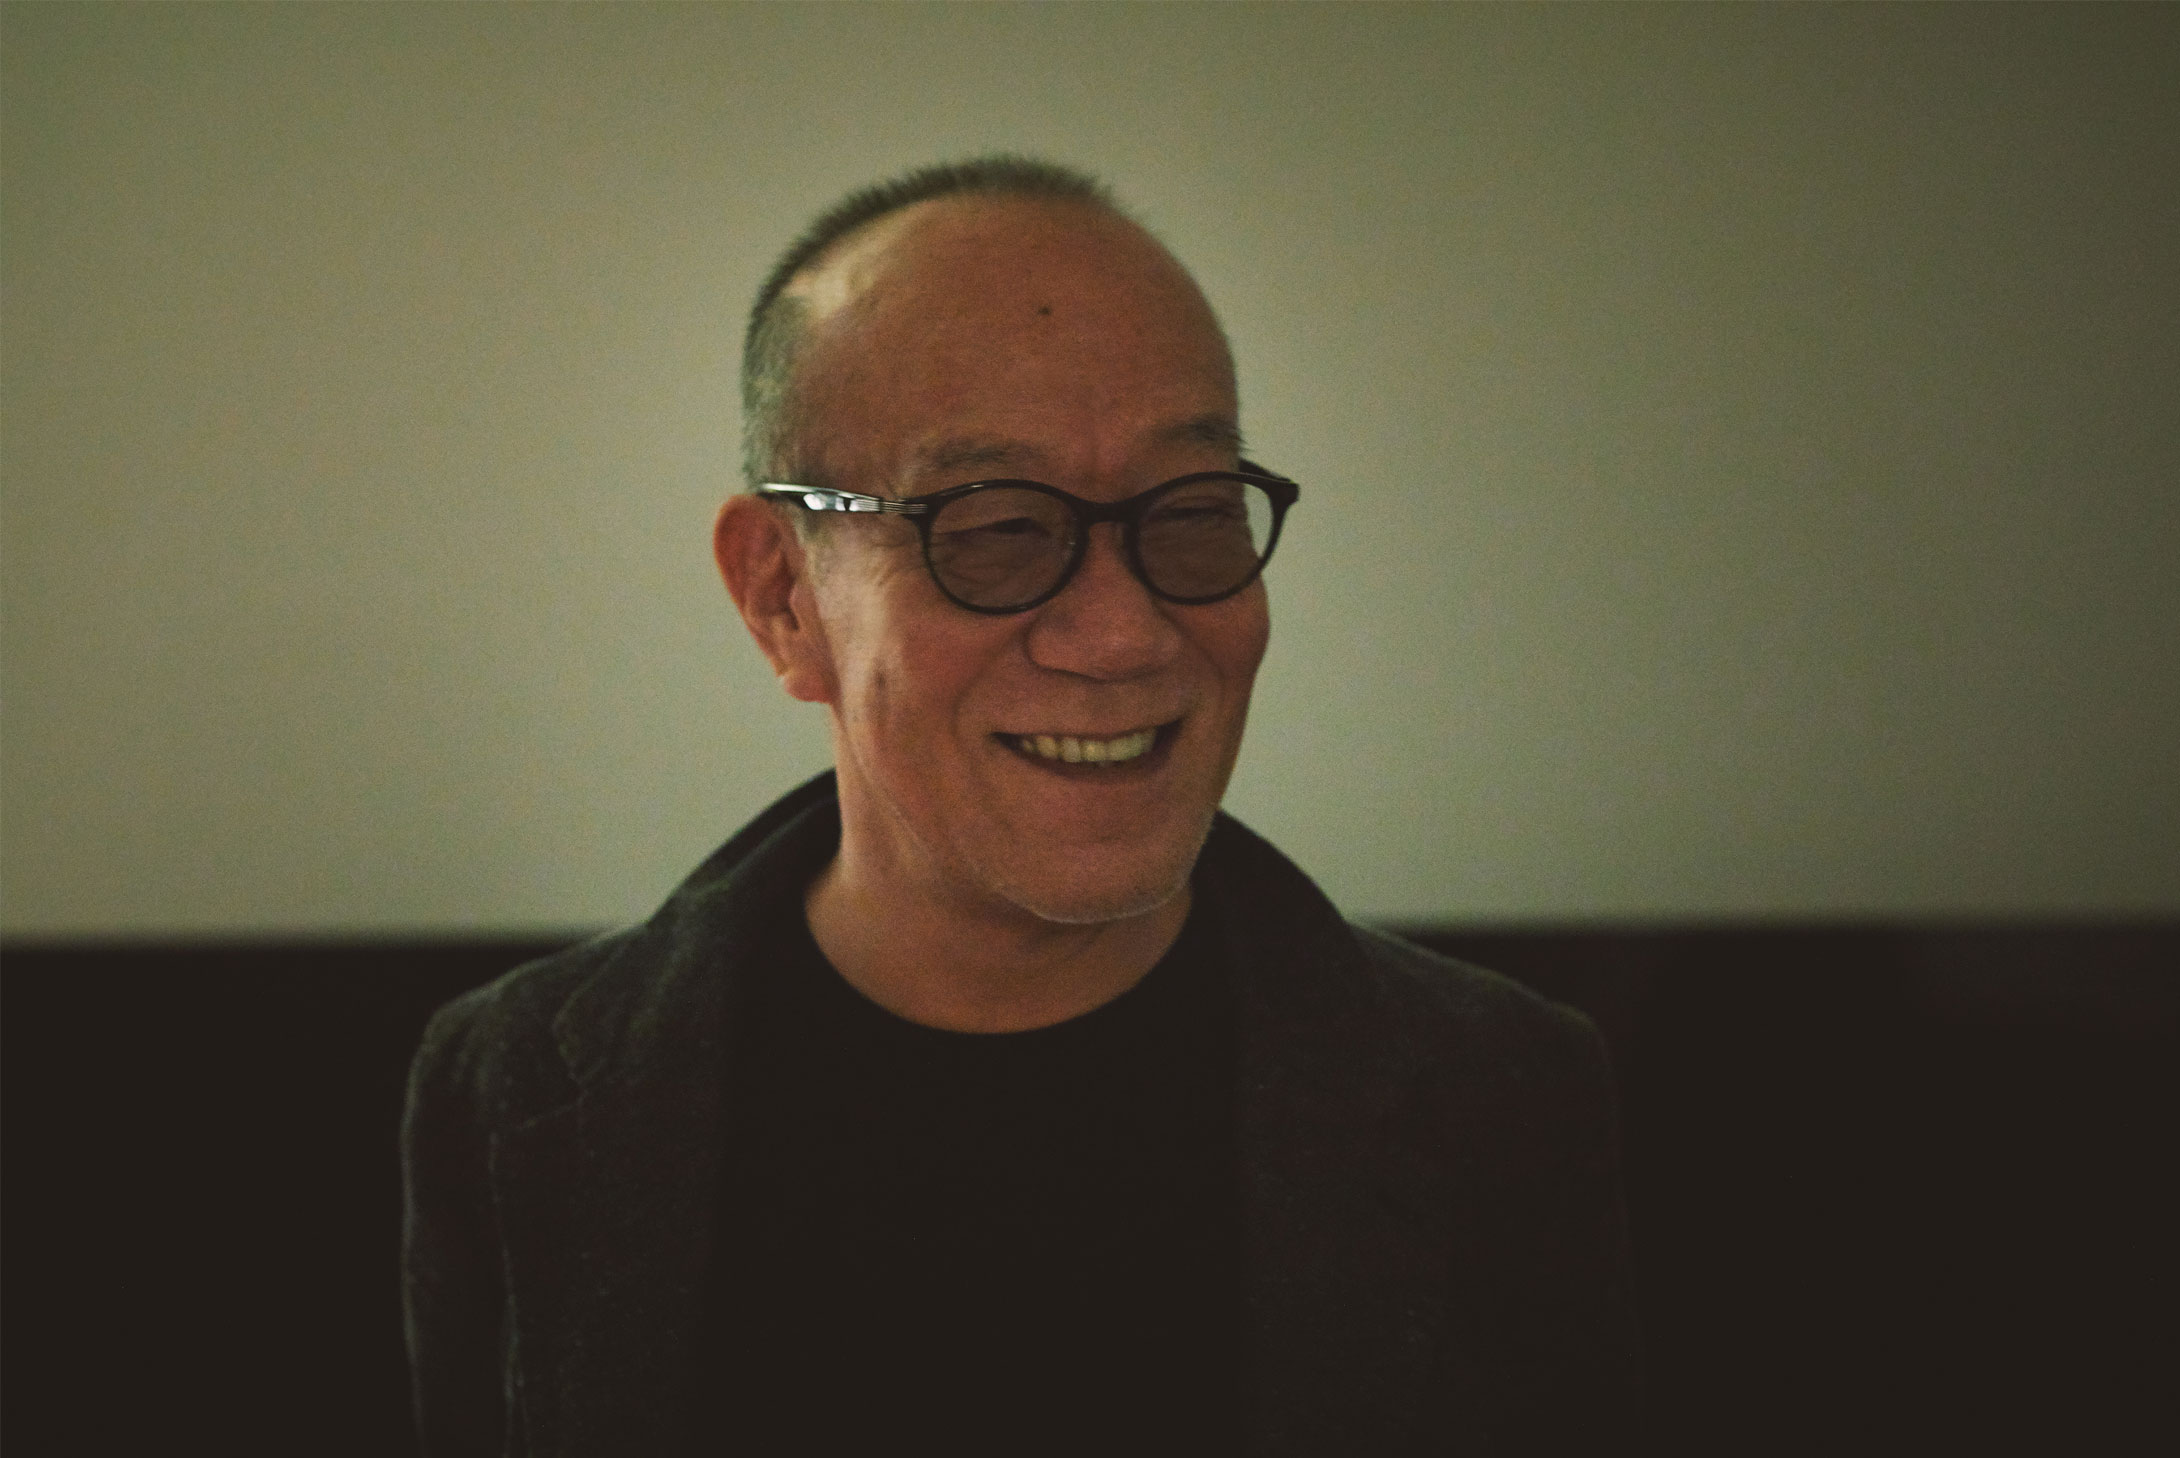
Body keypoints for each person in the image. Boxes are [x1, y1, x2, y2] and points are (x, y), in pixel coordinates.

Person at [402, 156, 1641, 1456]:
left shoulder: (1502, 1095)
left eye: (1193, 512)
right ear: (782, 597)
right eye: (995, 529)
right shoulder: (512, 1092)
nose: (1122, 634)